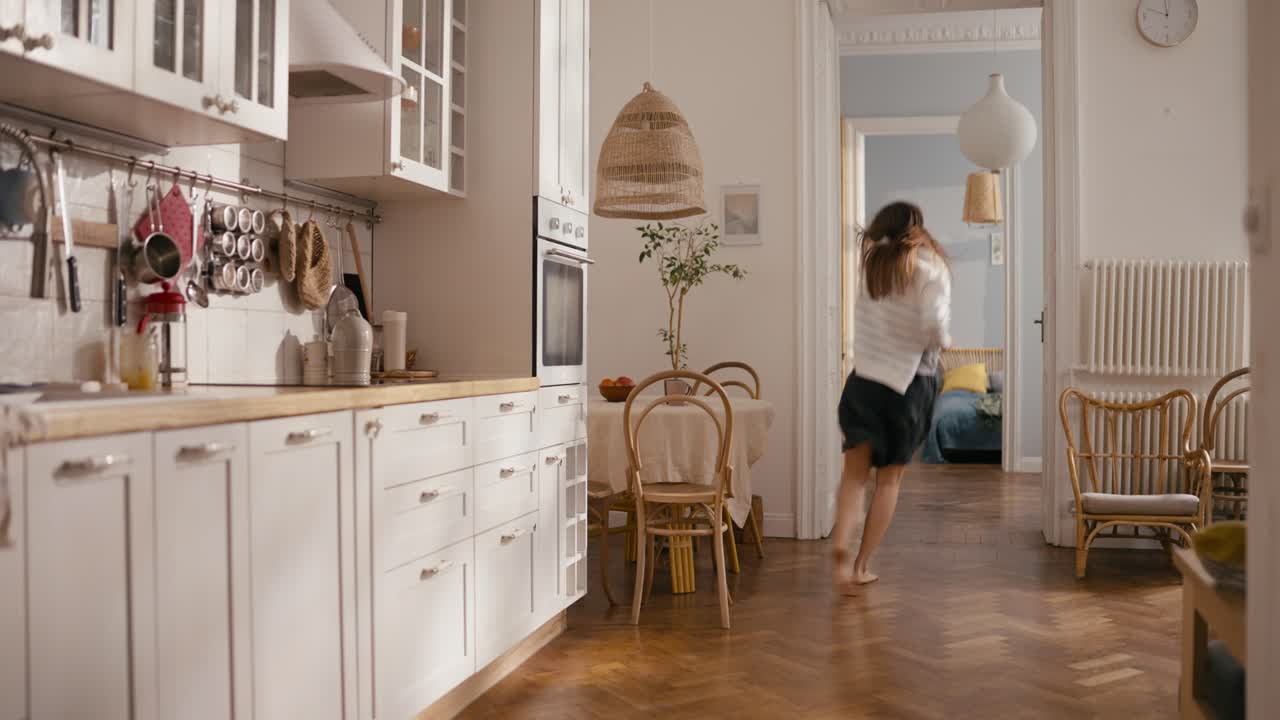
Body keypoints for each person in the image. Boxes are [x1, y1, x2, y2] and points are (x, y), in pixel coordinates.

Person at [832, 200, 951, 593]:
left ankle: (840, 546)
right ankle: (862, 565)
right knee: (888, 481)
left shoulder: (872, 271)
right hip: (906, 387)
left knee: (854, 477)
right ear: (915, 229)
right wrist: (944, 342)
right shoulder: (928, 267)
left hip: (863, 382)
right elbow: (934, 325)